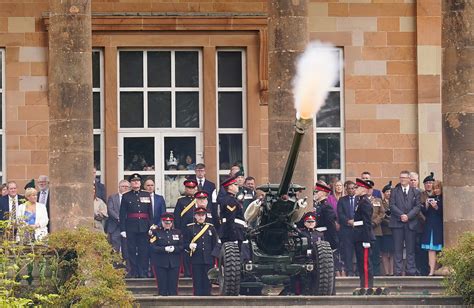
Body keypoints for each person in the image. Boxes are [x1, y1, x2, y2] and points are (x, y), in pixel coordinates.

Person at [119, 173, 153, 278]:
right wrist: (123, 229)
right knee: (132, 250)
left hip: (144, 226)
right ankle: (133, 271)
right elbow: (122, 214)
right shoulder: (126, 196)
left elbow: (150, 212)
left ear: (140, 183)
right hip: (131, 227)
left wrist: (151, 226)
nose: (136, 182)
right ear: (130, 183)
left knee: (144, 250)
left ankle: (142, 271)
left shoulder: (146, 195)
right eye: (133, 181)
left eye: (137, 181)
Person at [389, 170, 422, 276]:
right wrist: (401, 215)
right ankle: (398, 271)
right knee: (397, 248)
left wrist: (408, 216)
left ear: (408, 179)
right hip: (397, 223)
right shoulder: (394, 191)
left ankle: (410, 270)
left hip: (411, 223)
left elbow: (417, 207)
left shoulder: (416, 192)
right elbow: (392, 205)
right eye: (401, 177)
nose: (402, 179)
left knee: (410, 248)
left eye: (404, 177)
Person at [184, 207, 219, 296]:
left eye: (203, 215)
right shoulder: (190, 228)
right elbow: (184, 243)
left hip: (208, 259)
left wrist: (213, 255)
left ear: (205, 216)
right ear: (195, 216)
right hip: (196, 259)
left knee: (208, 281)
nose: (201, 217)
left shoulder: (211, 228)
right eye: (199, 215)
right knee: (197, 281)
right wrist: (189, 246)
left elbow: (216, 244)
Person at [149, 213, 183, 296]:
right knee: (162, 287)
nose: (167, 224)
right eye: (165, 222)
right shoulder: (156, 232)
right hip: (160, 263)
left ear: (172, 223)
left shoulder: (177, 232)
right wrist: (164, 249)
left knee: (173, 287)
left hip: (174, 263)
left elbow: (182, 246)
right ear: (162, 222)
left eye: (169, 222)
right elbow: (153, 247)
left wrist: (175, 249)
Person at [173, 179, 198, 277]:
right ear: (185, 189)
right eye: (188, 188)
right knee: (186, 251)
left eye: (192, 188)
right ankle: (187, 271)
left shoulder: (199, 200)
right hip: (185, 230)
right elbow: (177, 217)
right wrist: (179, 231)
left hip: (197, 229)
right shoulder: (181, 201)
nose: (190, 190)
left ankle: (195, 271)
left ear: (195, 189)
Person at [353, 178, 375, 288]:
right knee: (361, 263)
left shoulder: (365, 203)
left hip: (363, 237)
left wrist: (367, 240)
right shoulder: (360, 201)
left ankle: (367, 286)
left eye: (357, 187)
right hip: (358, 236)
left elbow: (367, 223)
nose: (355, 189)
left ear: (363, 189)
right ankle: (363, 285)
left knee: (366, 264)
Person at [106, 180, 131, 270]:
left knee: (127, 248)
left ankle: (128, 268)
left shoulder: (131, 198)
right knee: (115, 247)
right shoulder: (112, 197)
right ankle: (114, 267)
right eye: (123, 186)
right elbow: (110, 209)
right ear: (119, 187)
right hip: (115, 226)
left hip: (127, 227)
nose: (125, 188)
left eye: (127, 187)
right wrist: (119, 218)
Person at [421, 180, 444, 276]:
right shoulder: (431, 198)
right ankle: (431, 270)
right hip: (429, 226)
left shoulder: (443, 198)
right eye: (434, 188)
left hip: (438, 226)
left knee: (439, 249)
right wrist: (426, 205)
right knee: (431, 249)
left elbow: (444, 213)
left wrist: (437, 208)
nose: (436, 190)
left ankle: (437, 269)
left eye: (437, 188)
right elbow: (426, 213)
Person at [217, 176, 246, 244]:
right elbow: (230, 219)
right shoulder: (230, 201)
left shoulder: (231, 199)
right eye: (235, 185)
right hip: (233, 234)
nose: (237, 186)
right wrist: (233, 238)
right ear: (230, 187)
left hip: (235, 232)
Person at [337, 180, 357, 276]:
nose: (351, 190)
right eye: (349, 188)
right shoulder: (342, 200)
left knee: (358, 251)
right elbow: (340, 214)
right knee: (348, 251)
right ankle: (349, 271)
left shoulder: (359, 200)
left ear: (355, 189)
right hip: (346, 229)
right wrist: (348, 221)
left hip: (358, 229)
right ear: (346, 189)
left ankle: (358, 270)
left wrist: (355, 221)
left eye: (353, 188)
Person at [367, 180, 385, 276]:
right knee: (366, 253)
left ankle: (376, 272)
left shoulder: (377, 200)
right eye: (367, 188)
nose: (368, 190)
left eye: (370, 188)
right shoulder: (360, 200)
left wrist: (375, 222)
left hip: (376, 230)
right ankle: (367, 272)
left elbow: (382, 213)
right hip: (365, 230)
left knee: (376, 252)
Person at [380, 181, 394, 276]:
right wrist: (389, 222)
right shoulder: (381, 202)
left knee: (393, 252)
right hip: (385, 230)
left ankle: (392, 271)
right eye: (387, 192)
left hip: (394, 231)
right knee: (385, 252)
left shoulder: (395, 202)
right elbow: (381, 215)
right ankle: (386, 272)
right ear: (384, 193)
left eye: (390, 191)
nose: (389, 193)